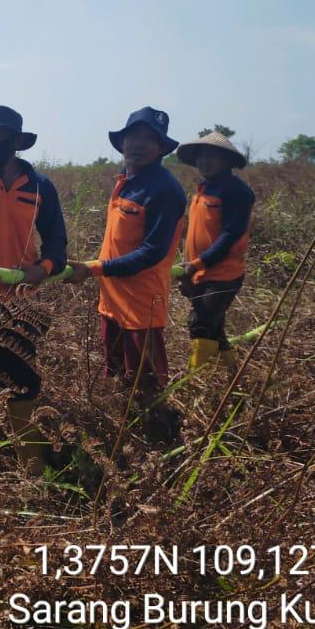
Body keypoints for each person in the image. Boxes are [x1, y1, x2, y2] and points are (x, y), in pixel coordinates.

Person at [68, 107, 186, 437]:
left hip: (142, 306)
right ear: (122, 141)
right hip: (113, 302)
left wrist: (93, 269)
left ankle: (159, 443)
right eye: (133, 136)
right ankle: (127, 435)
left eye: (150, 139)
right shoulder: (126, 180)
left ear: (162, 147)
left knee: (146, 383)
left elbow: (151, 253)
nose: (139, 144)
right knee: (118, 374)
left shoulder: (165, 190)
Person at [0, 105, 67, 474]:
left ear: (17, 142)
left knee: (22, 384)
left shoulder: (39, 186)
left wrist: (43, 269)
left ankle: (34, 470)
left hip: (19, 304)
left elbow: (57, 241)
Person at [175, 130, 254, 373]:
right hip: (199, 271)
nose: (204, 162)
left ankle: (195, 385)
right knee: (215, 327)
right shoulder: (204, 188)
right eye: (200, 157)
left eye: (210, 156)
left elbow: (230, 235)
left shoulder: (236, 191)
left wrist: (198, 263)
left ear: (227, 160)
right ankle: (233, 376)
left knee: (200, 324)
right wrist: (189, 268)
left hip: (222, 275)